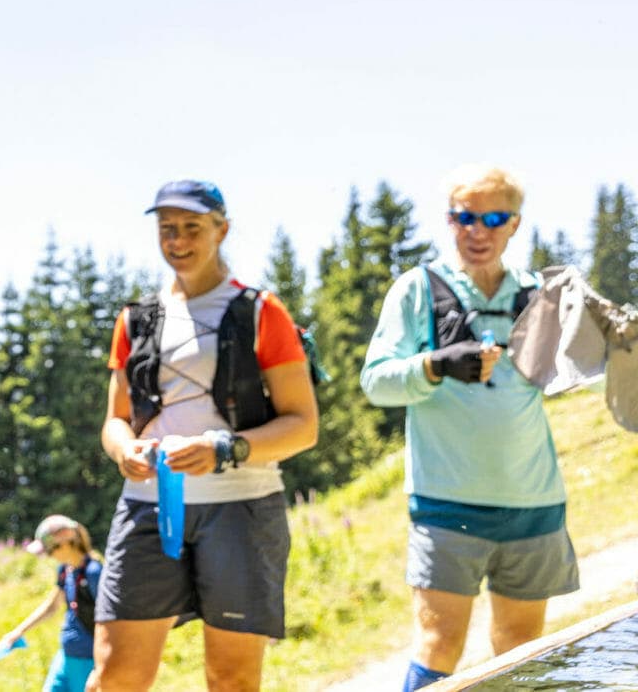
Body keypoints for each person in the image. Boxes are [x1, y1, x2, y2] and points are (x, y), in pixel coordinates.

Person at [89, 180, 318, 692]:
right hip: (148, 506)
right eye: (166, 229)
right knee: (114, 676)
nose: (178, 240)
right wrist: (124, 449)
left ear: (222, 230)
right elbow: (115, 420)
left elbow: (303, 424)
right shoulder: (136, 319)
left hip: (241, 506)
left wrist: (226, 449)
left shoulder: (261, 312)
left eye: (192, 227)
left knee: (232, 679)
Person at [360, 165, 577, 691]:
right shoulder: (417, 290)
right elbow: (377, 383)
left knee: (522, 651)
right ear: (449, 220)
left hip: (533, 502)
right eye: (464, 217)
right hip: (446, 504)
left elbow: (585, 378)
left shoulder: (540, 293)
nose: (477, 231)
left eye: (493, 218)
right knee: (439, 644)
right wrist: (435, 365)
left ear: (515, 224)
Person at [0, 515, 104, 692]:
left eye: (49, 550)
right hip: (66, 656)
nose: (48, 555)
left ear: (66, 543)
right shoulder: (65, 570)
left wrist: (101, 667)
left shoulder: (93, 572)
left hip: (87, 658)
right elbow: (52, 606)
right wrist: (18, 631)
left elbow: (110, 620)